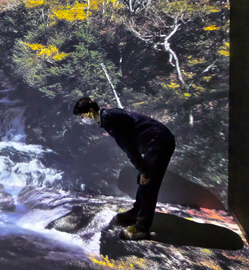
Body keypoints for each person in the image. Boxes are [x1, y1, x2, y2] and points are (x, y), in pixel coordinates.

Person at [73, 97, 175, 240]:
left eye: (82, 115)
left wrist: (143, 169)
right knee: (143, 179)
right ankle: (136, 212)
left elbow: (129, 147)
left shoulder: (109, 119)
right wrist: (142, 169)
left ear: (90, 111)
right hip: (155, 141)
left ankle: (142, 227)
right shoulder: (107, 116)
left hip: (159, 142)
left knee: (149, 183)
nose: (83, 119)